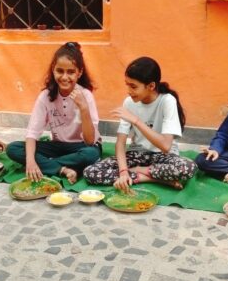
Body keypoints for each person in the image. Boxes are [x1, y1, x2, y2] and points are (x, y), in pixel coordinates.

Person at [83, 57, 197, 191]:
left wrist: (136, 121)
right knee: (90, 172)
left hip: (164, 157)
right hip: (137, 154)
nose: (129, 91)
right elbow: (120, 143)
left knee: (187, 167)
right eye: (127, 85)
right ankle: (153, 178)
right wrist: (123, 172)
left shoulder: (167, 101)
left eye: (133, 86)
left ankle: (139, 173)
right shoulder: (129, 102)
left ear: (151, 86)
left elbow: (166, 146)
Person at [6, 42, 101, 184]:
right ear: (53, 70)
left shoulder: (86, 95)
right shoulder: (45, 96)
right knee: (13, 148)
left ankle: (47, 164)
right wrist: (30, 161)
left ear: (79, 72)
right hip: (57, 146)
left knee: (91, 154)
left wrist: (84, 108)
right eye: (60, 71)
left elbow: (90, 141)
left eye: (71, 72)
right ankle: (63, 168)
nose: (64, 77)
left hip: (81, 146)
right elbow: (32, 133)